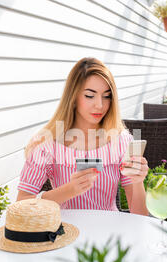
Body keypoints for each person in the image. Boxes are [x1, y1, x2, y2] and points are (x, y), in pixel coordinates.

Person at [16, 57, 149, 215]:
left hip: (109, 233)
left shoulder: (121, 141)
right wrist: (68, 190)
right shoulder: (47, 144)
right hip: (64, 233)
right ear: (73, 98)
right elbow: (21, 207)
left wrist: (138, 182)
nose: (100, 105)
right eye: (89, 95)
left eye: (106, 96)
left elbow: (140, 216)